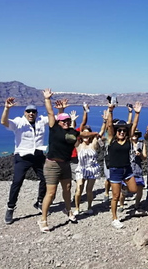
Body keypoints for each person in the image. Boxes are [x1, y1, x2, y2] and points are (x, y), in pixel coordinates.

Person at [38, 89, 97, 233]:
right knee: (51, 193)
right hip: (52, 164)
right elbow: (51, 113)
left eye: (68, 120)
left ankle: (68, 210)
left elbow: (83, 131)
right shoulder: (54, 129)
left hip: (65, 164)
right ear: (59, 122)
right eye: (63, 120)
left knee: (68, 189)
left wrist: (97, 133)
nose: (66, 122)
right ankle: (43, 220)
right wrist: (47, 99)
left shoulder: (72, 132)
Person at [1, 98, 49, 224]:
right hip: (22, 157)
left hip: (38, 155)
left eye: (33, 111)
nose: (31, 113)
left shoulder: (41, 121)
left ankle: (39, 202)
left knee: (46, 179)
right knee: (17, 182)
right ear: (25, 113)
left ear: (36, 113)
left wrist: (60, 109)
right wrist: (7, 108)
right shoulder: (19, 122)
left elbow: (54, 118)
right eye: (29, 111)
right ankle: (10, 208)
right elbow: (4, 122)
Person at [106, 101, 142, 229]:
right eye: (119, 130)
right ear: (116, 132)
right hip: (115, 170)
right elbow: (109, 125)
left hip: (127, 169)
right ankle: (115, 218)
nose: (121, 132)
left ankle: (123, 188)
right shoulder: (111, 140)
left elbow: (134, 125)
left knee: (133, 189)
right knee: (115, 197)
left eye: (123, 130)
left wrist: (137, 113)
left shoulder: (128, 140)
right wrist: (110, 110)